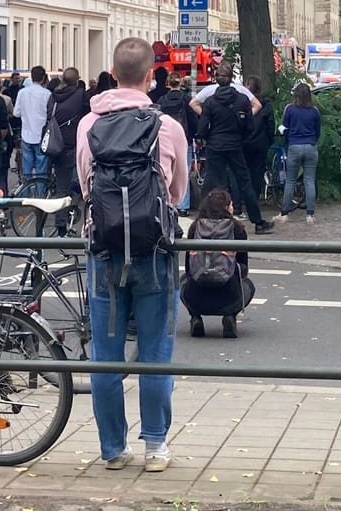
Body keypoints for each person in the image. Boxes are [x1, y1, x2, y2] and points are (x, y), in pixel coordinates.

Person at [76, 37, 189, 473]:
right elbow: (177, 192)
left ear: (111, 72)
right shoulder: (167, 127)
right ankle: (156, 446)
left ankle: (112, 449)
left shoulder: (89, 125)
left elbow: (87, 186)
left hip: (103, 250)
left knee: (105, 353)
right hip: (155, 251)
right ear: (149, 76)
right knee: (156, 349)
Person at [192, 65, 269, 233]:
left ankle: (210, 219)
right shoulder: (241, 100)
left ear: (216, 79)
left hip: (215, 146)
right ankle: (257, 221)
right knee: (244, 182)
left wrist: (207, 137)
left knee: (213, 183)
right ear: (232, 79)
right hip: (235, 145)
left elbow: (203, 128)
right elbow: (249, 125)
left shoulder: (211, 102)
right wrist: (240, 135)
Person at [180, 187, 253, 338]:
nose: (233, 207)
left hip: (196, 296)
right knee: (249, 285)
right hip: (229, 295)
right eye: (231, 205)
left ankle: (195, 316)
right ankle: (230, 315)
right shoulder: (237, 229)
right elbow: (243, 268)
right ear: (226, 208)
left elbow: (189, 268)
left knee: (182, 281)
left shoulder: (195, 227)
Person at [279, 83, 321, 223]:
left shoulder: (289, 109)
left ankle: (284, 213)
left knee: (290, 180)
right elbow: (318, 131)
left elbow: (285, 127)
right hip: (310, 146)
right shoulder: (314, 111)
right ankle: (310, 214)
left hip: (294, 145)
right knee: (309, 181)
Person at [49, 68, 89, 198]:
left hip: (54, 142)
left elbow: (49, 115)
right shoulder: (80, 94)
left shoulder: (54, 94)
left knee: (61, 180)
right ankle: (62, 217)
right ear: (77, 81)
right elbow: (87, 114)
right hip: (71, 142)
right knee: (65, 188)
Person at [242, 74, 274, 220]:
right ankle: (253, 200)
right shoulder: (266, 106)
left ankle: (242, 201)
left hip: (245, 143)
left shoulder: (243, 104)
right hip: (260, 143)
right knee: (257, 173)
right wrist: (269, 140)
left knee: (244, 173)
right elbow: (270, 126)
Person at [15, 66, 54, 183]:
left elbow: (16, 113)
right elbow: (51, 114)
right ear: (43, 78)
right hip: (42, 136)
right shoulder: (47, 93)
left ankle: (25, 193)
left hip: (26, 135)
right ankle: (40, 196)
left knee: (26, 169)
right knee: (41, 169)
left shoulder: (22, 92)